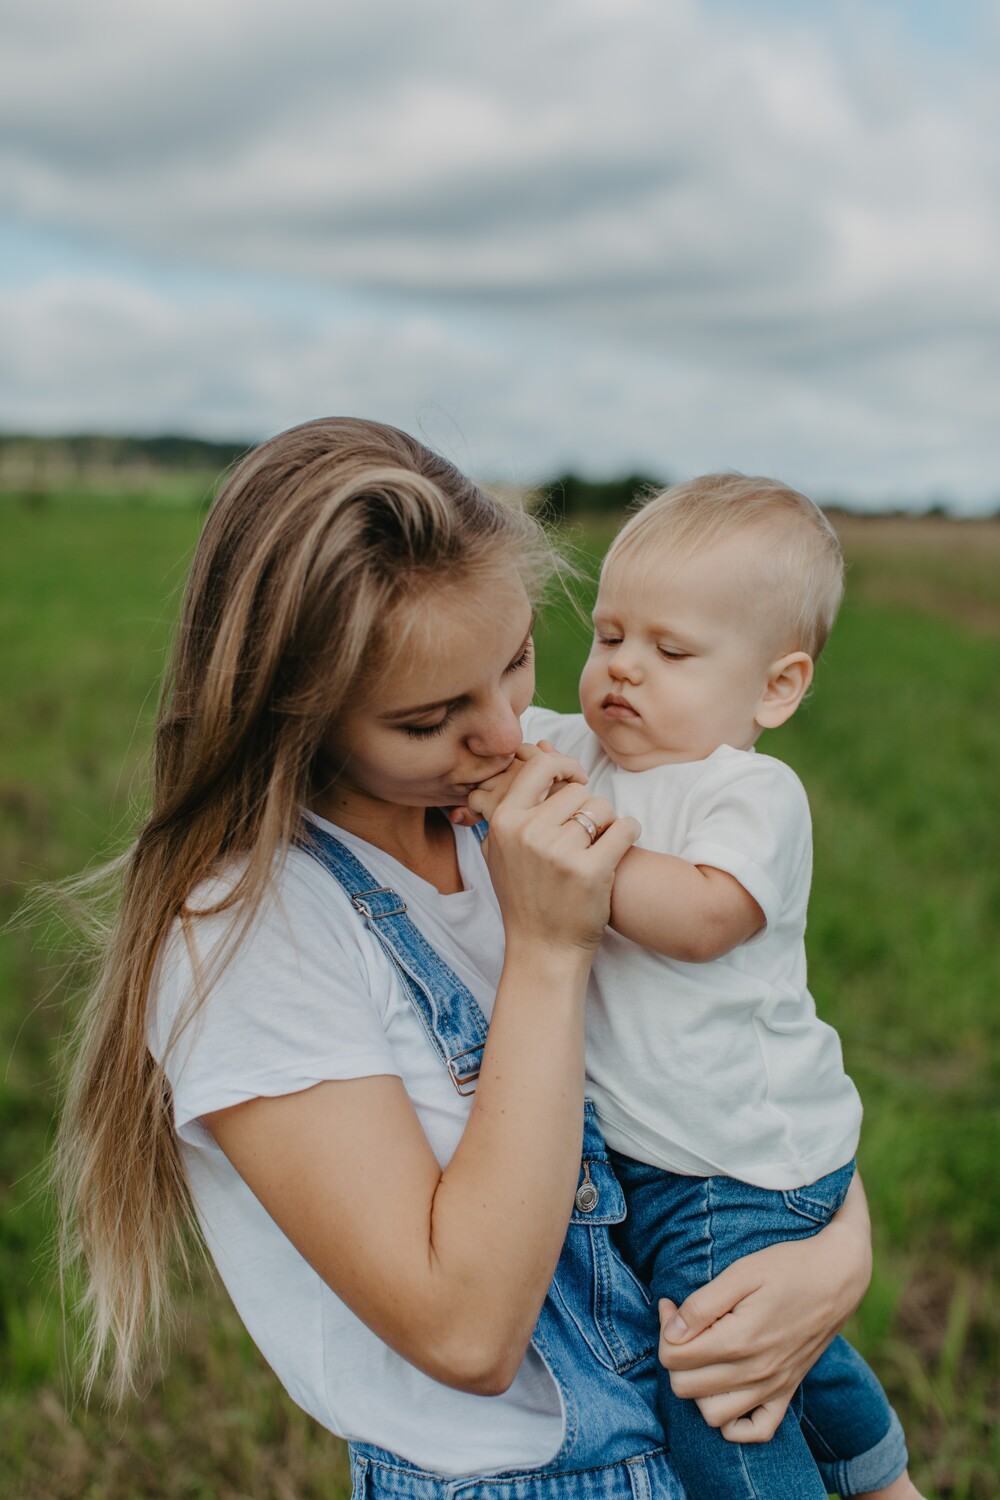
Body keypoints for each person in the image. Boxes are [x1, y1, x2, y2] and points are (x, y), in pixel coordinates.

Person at [56, 422, 876, 1499]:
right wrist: (545, 948)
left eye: (519, 659)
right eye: (431, 718)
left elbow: (739, 1043)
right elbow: (465, 1331)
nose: (505, 734)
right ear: (293, 718)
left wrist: (834, 1257)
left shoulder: (563, 762)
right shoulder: (252, 940)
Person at [477, 475, 918, 1498]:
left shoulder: (747, 793)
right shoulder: (581, 750)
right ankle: (878, 1474)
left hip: (736, 1161)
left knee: (715, 1382)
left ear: (775, 688)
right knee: (779, 1341)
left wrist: (575, 845)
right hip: (672, 1153)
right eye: (608, 637)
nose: (623, 670)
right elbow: (498, 741)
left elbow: (706, 915)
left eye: (670, 653)